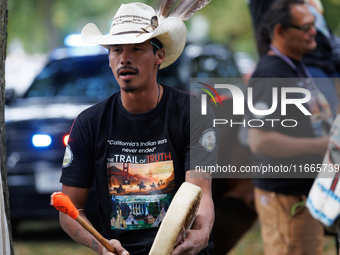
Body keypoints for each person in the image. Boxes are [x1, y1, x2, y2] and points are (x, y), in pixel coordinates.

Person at [59, 2, 217, 255]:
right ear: (109, 59)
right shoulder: (89, 122)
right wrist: (101, 246)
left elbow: (200, 194)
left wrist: (202, 233)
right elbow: (69, 209)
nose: (124, 58)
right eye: (116, 50)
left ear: (159, 56)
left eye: (137, 49)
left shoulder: (193, 112)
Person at [246, 0, 334, 254]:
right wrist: (323, 145)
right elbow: (259, 141)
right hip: (286, 198)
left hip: (304, 195)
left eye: (313, 24)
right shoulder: (271, 73)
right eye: (305, 26)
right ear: (280, 31)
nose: (313, 31)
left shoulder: (293, 65)